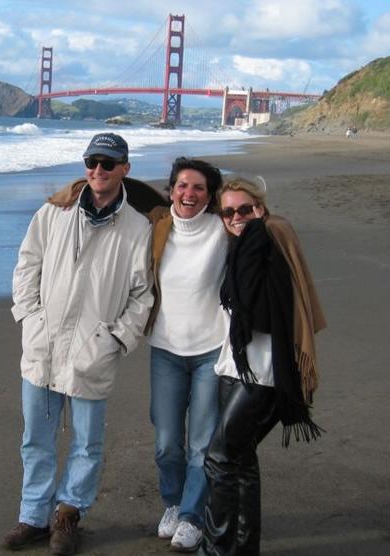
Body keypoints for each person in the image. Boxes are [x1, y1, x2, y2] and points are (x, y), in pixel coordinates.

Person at [3, 133, 155, 556]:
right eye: (92, 161)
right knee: (36, 437)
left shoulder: (138, 228)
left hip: (93, 350)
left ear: (125, 167)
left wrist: (115, 339)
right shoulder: (55, 212)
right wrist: (28, 316)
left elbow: (143, 294)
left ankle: (67, 516)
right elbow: (27, 262)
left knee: (87, 443)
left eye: (108, 162)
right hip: (43, 345)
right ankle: (33, 517)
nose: (98, 170)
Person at [201, 177, 326, 556]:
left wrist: (255, 228)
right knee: (240, 460)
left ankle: (216, 549)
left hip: (266, 373)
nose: (236, 217)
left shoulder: (269, 239)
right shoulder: (240, 250)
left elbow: (258, 312)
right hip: (234, 369)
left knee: (219, 457)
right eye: (228, 212)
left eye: (244, 209)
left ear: (260, 207)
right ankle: (243, 548)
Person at [144, 157, 229, 552]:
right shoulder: (157, 227)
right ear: (171, 190)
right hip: (165, 349)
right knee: (166, 441)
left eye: (198, 187)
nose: (188, 194)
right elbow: (112, 202)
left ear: (210, 195)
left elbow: (263, 222)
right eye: (181, 186)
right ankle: (173, 504)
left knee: (201, 443)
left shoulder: (223, 229)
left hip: (211, 349)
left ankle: (193, 516)